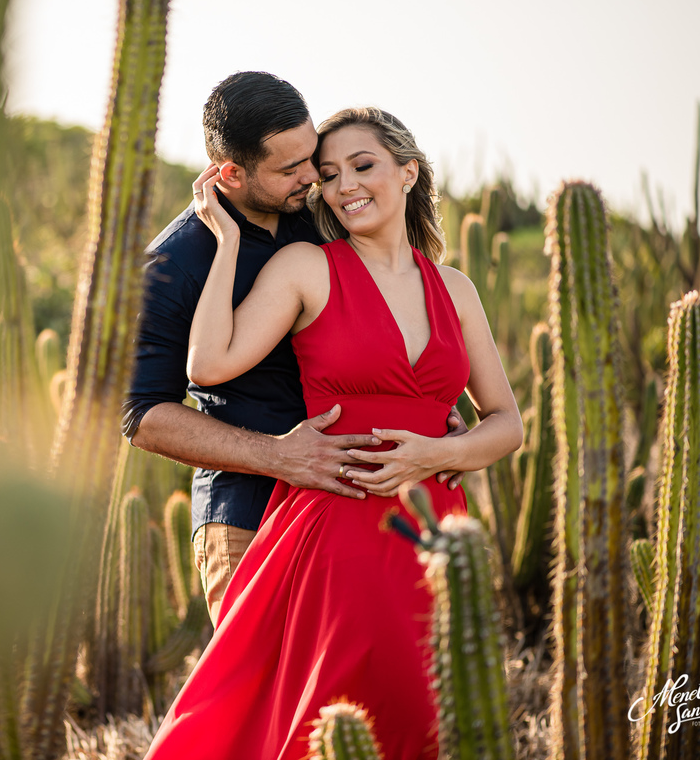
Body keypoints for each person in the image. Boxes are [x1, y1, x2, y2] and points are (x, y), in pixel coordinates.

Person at [143, 107, 523, 760]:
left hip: (434, 532)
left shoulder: (455, 289)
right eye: (328, 174)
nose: (344, 184)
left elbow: (507, 422)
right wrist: (226, 242)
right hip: (337, 522)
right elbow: (205, 365)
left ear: (409, 171)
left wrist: (440, 452)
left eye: (363, 165)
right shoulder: (306, 266)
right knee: (329, 717)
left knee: (429, 716)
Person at [120, 72, 466, 625]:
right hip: (247, 516)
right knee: (269, 701)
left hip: (357, 506)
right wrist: (278, 456)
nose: (312, 177)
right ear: (231, 173)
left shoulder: (324, 216)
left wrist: (429, 406)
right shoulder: (174, 263)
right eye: (290, 169)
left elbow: (393, 303)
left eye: (312, 159)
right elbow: (142, 415)